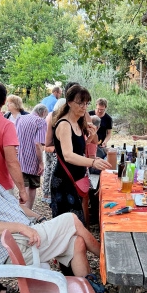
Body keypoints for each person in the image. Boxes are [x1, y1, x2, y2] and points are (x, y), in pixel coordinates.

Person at [0, 131, 101, 278]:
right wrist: (21, 227)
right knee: (71, 220)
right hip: (14, 248)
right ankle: (106, 261)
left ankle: (90, 290)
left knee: (77, 243)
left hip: (26, 238)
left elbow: (15, 207)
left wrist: (39, 218)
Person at [50, 85, 112, 224]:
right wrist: (92, 162)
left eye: (86, 103)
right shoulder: (65, 124)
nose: (84, 107)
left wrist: (91, 137)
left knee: (76, 224)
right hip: (64, 181)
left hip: (75, 179)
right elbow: (68, 155)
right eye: (80, 103)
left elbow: (79, 148)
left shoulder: (78, 122)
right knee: (67, 227)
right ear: (70, 103)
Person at [16, 104, 48, 209]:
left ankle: (21, 211)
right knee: (32, 187)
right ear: (43, 113)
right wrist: (41, 162)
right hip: (33, 160)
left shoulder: (20, 118)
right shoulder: (41, 122)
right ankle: (29, 211)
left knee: (23, 186)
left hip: (19, 158)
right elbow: (38, 144)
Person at [42, 98, 66, 204]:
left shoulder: (51, 115)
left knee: (49, 169)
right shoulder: (54, 116)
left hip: (51, 149)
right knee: (51, 170)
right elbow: (47, 140)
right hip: (53, 149)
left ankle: (46, 193)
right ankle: (49, 194)